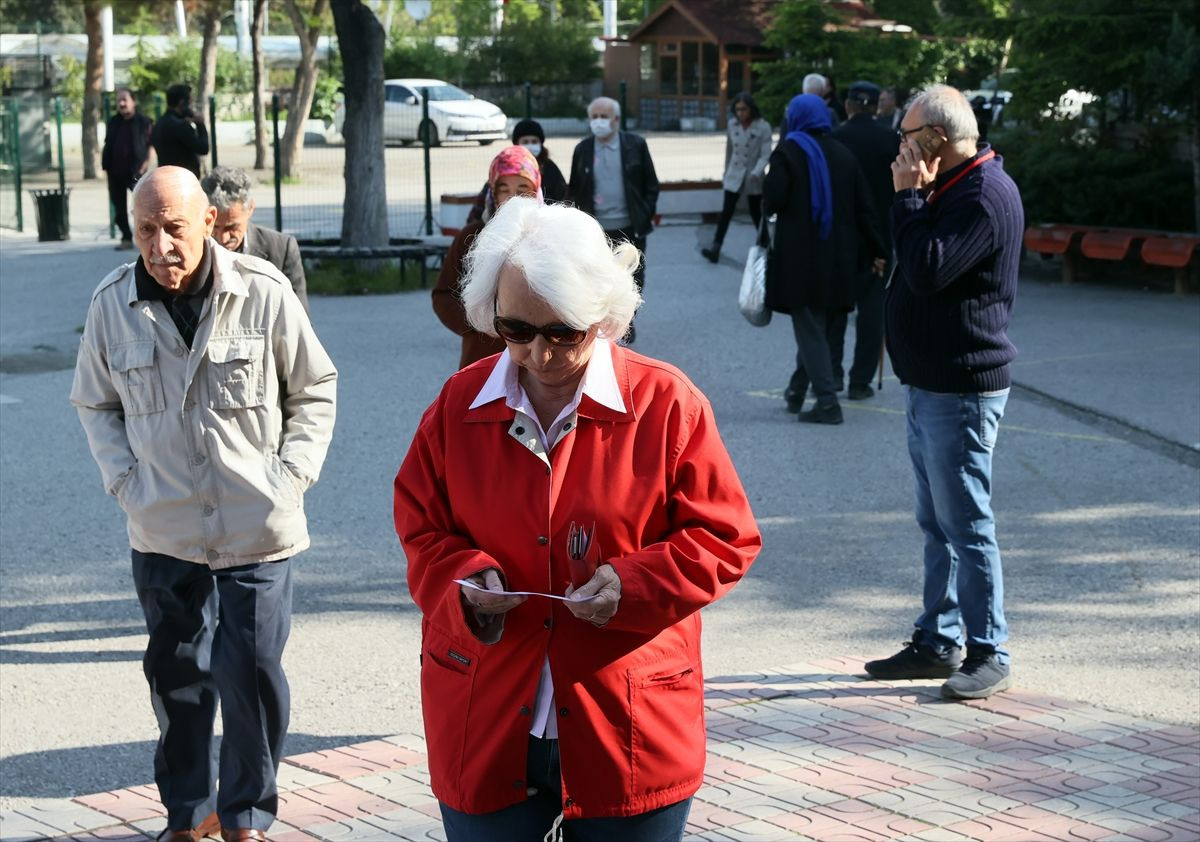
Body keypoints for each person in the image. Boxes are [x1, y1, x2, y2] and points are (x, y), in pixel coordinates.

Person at [393, 197, 760, 842]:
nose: (537, 353)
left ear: (605, 316)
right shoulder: (457, 405)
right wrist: (467, 581)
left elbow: (725, 537)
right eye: (514, 330)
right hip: (486, 711)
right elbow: (421, 529)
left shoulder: (667, 403)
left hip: (629, 723)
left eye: (562, 332)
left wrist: (634, 584)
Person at [70, 166, 337, 842]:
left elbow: (314, 388)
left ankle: (246, 815)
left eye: (174, 229)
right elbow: (94, 403)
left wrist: (292, 475)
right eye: (145, 231)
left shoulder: (265, 292)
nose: (160, 246)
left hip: (257, 523)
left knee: (251, 678)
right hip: (163, 530)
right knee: (178, 682)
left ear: (211, 224)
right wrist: (127, 482)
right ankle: (187, 815)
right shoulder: (110, 304)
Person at [864, 84, 1023, 701]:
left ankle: (989, 649)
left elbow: (928, 269)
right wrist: (912, 197)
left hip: (961, 387)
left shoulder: (983, 196)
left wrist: (908, 196)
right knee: (938, 522)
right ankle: (937, 640)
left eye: (907, 136)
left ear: (938, 138)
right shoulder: (950, 188)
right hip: (932, 381)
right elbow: (909, 253)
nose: (898, 148)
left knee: (967, 523)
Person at [762, 94, 885, 425]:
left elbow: (771, 200)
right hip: (840, 259)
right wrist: (879, 251)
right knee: (820, 325)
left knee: (810, 328)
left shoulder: (789, 152)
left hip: (801, 260)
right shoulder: (843, 155)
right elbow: (865, 208)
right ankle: (797, 391)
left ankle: (828, 403)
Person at [434, 145, 541, 369]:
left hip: (539, 359)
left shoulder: (552, 236)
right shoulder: (471, 237)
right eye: (505, 190)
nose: (514, 199)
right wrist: (479, 322)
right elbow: (443, 295)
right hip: (483, 358)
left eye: (523, 190)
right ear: (493, 193)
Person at [829, 80, 899, 399]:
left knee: (836, 311)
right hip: (882, 238)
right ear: (876, 106)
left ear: (848, 105)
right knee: (872, 313)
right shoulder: (891, 139)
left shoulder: (834, 138)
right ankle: (861, 380)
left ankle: (831, 374)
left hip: (841, 239)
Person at [567, 97, 659, 312]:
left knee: (632, 276)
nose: (598, 121)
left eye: (604, 117)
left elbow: (651, 185)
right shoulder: (583, 149)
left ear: (616, 119)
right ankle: (604, 320)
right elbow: (575, 188)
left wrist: (644, 214)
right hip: (596, 229)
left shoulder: (635, 145)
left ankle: (627, 318)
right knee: (597, 278)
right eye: (594, 117)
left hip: (630, 225)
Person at [200, 165, 309, 314]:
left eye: (232, 226)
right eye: (214, 227)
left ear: (250, 208)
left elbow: (299, 318)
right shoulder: (194, 250)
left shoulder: (281, 249)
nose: (222, 238)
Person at [701, 93, 772, 264]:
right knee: (726, 213)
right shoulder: (732, 125)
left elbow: (766, 154)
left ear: (751, 109)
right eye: (737, 109)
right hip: (734, 175)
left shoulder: (763, 127)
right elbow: (729, 151)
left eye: (743, 109)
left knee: (756, 214)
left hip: (753, 176)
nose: (740, 113)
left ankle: (768, 249)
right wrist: (726, 173)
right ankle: (715, 249)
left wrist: (757, 171)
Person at [465, 119, 567, 225]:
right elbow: (476, 214)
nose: (513, 198)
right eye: (526, 142)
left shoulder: (550, 169)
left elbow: (563, 197)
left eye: (522, 190)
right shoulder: (502, 169)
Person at [101, 87, 154, 250]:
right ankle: (125, 236)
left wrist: (146, 164)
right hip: (115, 171)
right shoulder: (114, 121)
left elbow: (152, 145)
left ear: (133, 101)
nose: (122, 103)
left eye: (125, 100)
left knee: (144, 205)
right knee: (119, 208)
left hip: (136, 171)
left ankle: (150, 236)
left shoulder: (144, 122)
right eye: (119, 101)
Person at [151, 83, 210, 177]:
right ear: (182, 103)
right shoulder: (181, 126)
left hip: (165, 176)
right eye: (190, 103)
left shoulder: (159, 124)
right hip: (183, 179)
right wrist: (200, 124)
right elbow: (203, 148)